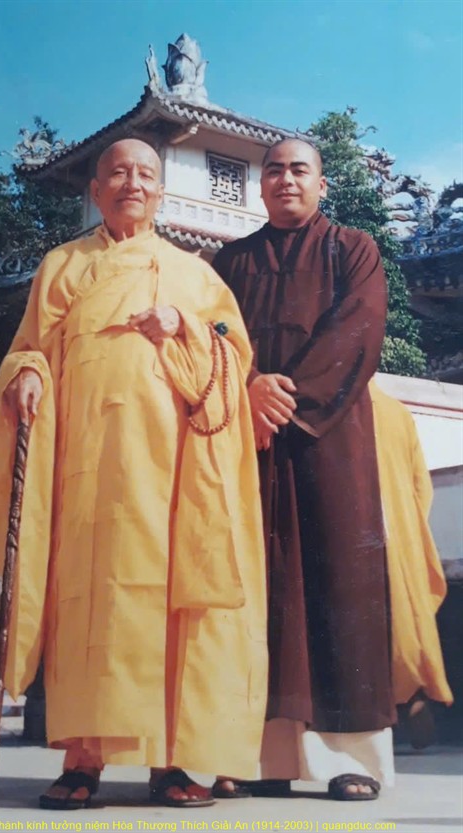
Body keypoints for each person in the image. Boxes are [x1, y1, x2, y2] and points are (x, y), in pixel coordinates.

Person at [0, 139, 268, 810]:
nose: (131, 183)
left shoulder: (195, 275)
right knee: (92, 605)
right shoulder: (62, 266)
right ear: (96, 189)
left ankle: (172, 761)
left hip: (174, 475)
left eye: (145, 173)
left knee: (171, 608)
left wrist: (186, 327)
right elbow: (30, 348)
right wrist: (26, 374)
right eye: (117, 172)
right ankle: (83, 759)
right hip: (86, 469)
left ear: (161, 191)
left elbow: (234, 358)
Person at [212, 138, 395, 801]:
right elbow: (212, 339)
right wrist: (248, 389)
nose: (285, 179)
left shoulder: (352, 249)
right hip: (249, 440)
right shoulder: (229, 262)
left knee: (338, 586)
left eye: (298, 169)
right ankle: (253, 755)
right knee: (255, 591)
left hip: (331, 439)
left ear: (322, 184)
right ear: (258, 186)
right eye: (273, 171)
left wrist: (284, 400)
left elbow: (359, 330)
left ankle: (350, 759)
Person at [369, 380, 453, 747]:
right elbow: (422, 488)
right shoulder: (397, 413)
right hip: (399, 538)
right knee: (403, 628)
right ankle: (413, 698)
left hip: (354, 541)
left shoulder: (326, 405)